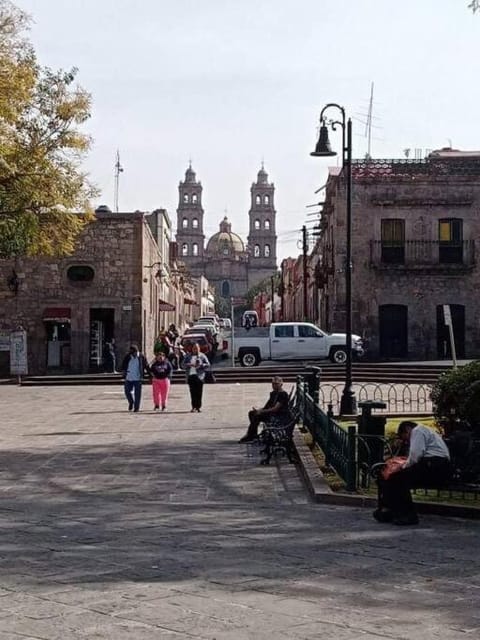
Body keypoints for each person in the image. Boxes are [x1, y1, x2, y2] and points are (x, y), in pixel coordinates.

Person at [374, 420, 451, 526]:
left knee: (397, 478)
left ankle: (407, 514)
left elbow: (415, 455)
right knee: (395, 478)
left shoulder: (417, 431)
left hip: (434, 465)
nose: (407, 441)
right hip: (436, 466)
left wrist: (402, 467)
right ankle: (391, 510)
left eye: (406, 438)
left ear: (407, 430)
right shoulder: (425, 430)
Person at [238, 376, 291, 443]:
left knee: (256, 416)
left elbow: (275, 409)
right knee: (252, 413)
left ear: (281, 384)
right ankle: (253, 434)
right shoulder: (273, 393)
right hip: (272, 413)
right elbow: (267, 406)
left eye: (276, 384)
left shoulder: (283, 394)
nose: (274, 386)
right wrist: (259, 410)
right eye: (273, 384)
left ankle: (250, 436)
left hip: (278, 416)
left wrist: (262, 411)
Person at [120, 344, 150, 412]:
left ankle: (137, 407)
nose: (133, 355)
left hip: (138, 378)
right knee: (127, 392)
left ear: (137, 351)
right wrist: (123, 373)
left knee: (137, 394)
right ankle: (131, 402)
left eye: (134, 353)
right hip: (129, 377)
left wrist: (150, 375)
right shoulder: (128, 356)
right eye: (131, 353)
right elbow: (123, 366)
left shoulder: (141, 357)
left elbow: (146, 366)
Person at [183, 343, 210, 412]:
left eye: (197, 348)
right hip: (191, 375)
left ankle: (198, 406)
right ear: (192, 349)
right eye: (194, 348)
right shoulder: (188, 356)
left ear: (199, 348)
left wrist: (201, 365)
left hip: (199, 376)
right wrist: (188, 364)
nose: (195, 349)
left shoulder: (202, 356)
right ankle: (193, 406)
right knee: (192, 392)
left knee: (199, 392)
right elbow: (182, 365)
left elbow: (208, 364)